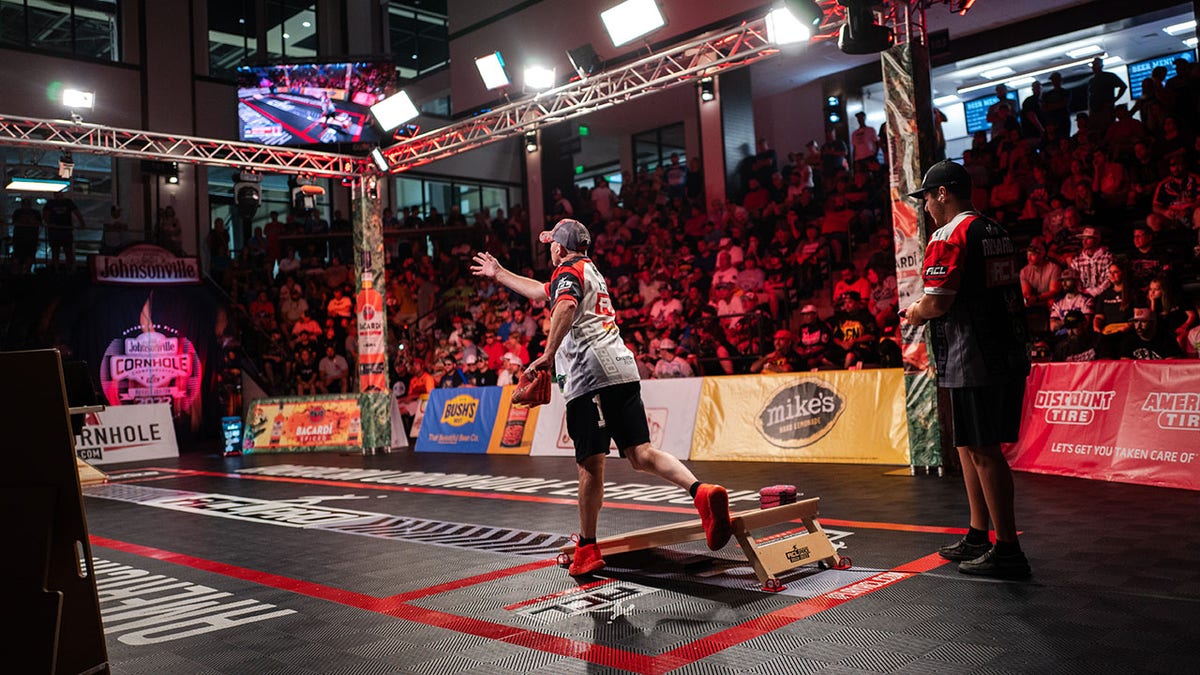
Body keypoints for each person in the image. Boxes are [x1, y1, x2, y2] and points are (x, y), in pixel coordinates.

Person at [470, 218, 732, 577]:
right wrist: (500, 273)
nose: (549, 249)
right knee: (641, 453)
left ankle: (588, 547)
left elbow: (563, 307)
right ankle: (701, 492)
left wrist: (548, 355)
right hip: (622, 367)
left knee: (590, 463)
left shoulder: (566, 271)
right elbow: (539, 291)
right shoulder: (589, 270)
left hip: (589, 375)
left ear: (559, 248)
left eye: (551, 244)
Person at [902, 159, 1031, 578]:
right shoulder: (996, 230)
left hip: (972, 353)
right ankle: (979, 533)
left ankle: (1008, 548)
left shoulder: (949, 234)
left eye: (926, 198)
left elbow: (937, 302)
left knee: (984, 450)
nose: (924, 208)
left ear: (943, 193)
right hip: (1005, 347)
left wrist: (914, 313)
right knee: (968, 445)